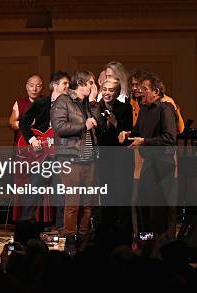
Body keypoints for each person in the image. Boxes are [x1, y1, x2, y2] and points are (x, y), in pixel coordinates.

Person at [120, 71, 177, 238]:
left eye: (145, 89)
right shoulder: (144, 109)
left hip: (163, 165)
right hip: (149, 163)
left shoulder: (165, 109)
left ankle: (161, 243)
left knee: (158, 209)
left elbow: (169, 139)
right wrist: (126, 134)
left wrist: (144, 142)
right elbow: (138, 132)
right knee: (141, 204)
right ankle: (146, 242)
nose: (140, 92)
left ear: (156, 92)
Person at [51, 71, 103, 247]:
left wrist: (94, 102)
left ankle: (83, 237)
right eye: (90, 83)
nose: (93, 86)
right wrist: (83, 125)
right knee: (73, 202)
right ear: (80, 83)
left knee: (88, 203)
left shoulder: (87, 103)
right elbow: (59, 128)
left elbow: (99, 125)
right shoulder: (63, 101)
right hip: (71, 157)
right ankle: (71, 239)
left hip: (89, 158)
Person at [16, 71, 70, 224]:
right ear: (54, 85)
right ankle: (26, 224)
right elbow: (24, 123)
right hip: (42, 153)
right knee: (33, 189)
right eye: (64, 83)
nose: (68, 86)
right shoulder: (41, 103)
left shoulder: (71, 104)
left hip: (61, 153)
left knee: (61, 191)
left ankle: (62, 227)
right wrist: (32, 139)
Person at [97, 78, 133, 240]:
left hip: (119, 159)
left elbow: (127, 133)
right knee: (104, 196)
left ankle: (121, 234)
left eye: (111, 90)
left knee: (119, 196)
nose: (107, 93)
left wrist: (115, 122)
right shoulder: (95, 108)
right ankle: (104, 231)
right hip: (101, 158)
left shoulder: (125, 108)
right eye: (104, 89)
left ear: (117, 93)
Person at [9, 74, 44, 145]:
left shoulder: (47, 103)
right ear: (27, 87)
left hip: (42, 143)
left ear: (42, 88)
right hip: (22, 144)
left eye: (38, 86)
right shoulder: (20, 103)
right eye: (31, 86)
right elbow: (11, 123)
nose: (34, 89)